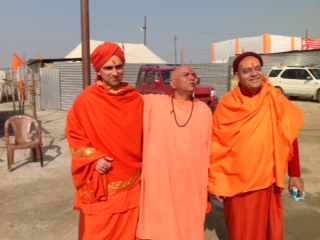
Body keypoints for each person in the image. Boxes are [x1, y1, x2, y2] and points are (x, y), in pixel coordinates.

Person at [208, 52, 305, 240]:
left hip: (269, 183)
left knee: (268, 232)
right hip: (237, 186)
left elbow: (290, 136)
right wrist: (217, 183)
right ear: (237, 76)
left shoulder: (275, 98)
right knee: (241, 232)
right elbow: (217, 148)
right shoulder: (227, 105)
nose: (254, 74)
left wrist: (295, 174)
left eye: (257, 68)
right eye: (247, 71)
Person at [65, 42, 143, 240]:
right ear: (99, 70)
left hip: (133, 178)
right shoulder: (86, 100)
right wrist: (93, 159)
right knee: (96, 232)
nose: (115, 73)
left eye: (119, 67)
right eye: (109, 68)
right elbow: (74, 134)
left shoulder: (135, 98)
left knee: (131, 231)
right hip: (102, 179)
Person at [136, 66, 213, 240]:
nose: (192, 78)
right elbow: (124, 101)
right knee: (160, 227)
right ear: (172, 83)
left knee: (189, 228)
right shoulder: (154, 103)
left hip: (191, 184)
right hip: (161, 183)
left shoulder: (204, 111)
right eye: (186, 75)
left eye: (194, 75)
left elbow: (209, 149)